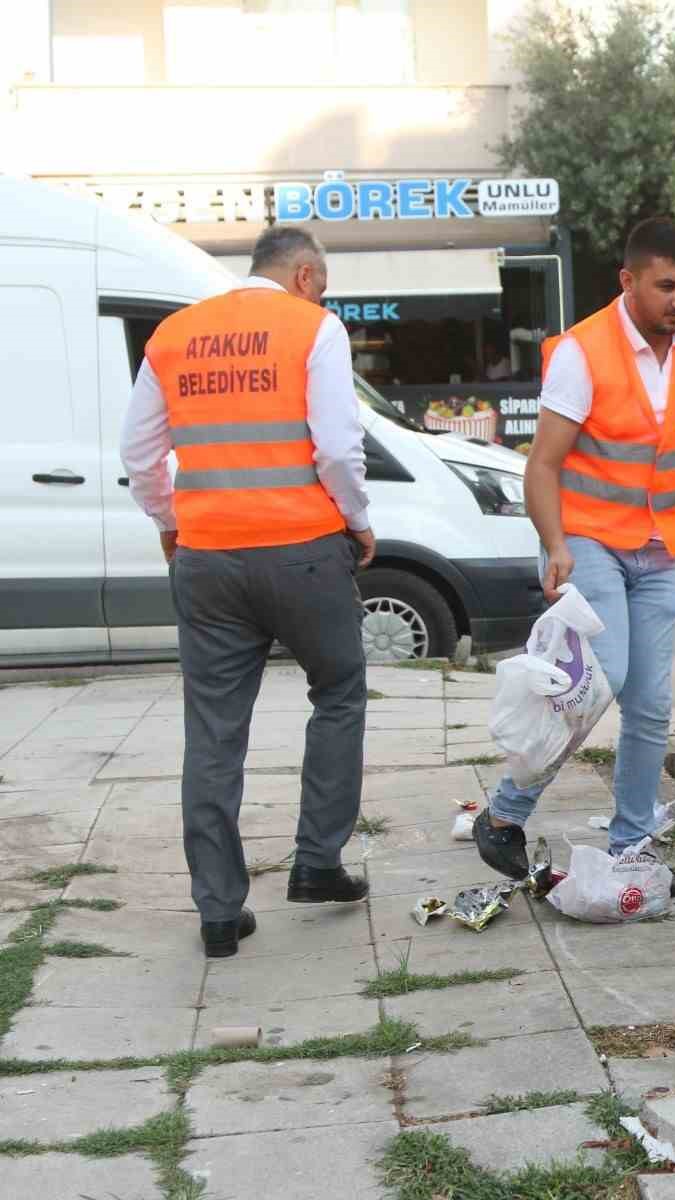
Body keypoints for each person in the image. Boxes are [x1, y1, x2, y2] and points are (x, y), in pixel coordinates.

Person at [473, 217, 675, 888]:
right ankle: (504, 812)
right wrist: (554, 544)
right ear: (629, 281)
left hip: (655, 547)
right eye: (666, 286)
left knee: (651, 704)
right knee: (596, 680)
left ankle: (631, 843)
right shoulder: (585, 352)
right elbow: (542, 465)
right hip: (585, 538)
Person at [121, 226, 376, 959]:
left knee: (213, 730)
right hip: (302, 552)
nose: (323, 297)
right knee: (339, 690)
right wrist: (357, 521)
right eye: (321, 285)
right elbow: (335, 445)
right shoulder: (314, 328)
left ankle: (218, 912)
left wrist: (171, 522)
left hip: (207, 560)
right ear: (303, 275)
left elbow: (138, 454)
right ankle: (317, 862)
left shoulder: (173, 335)